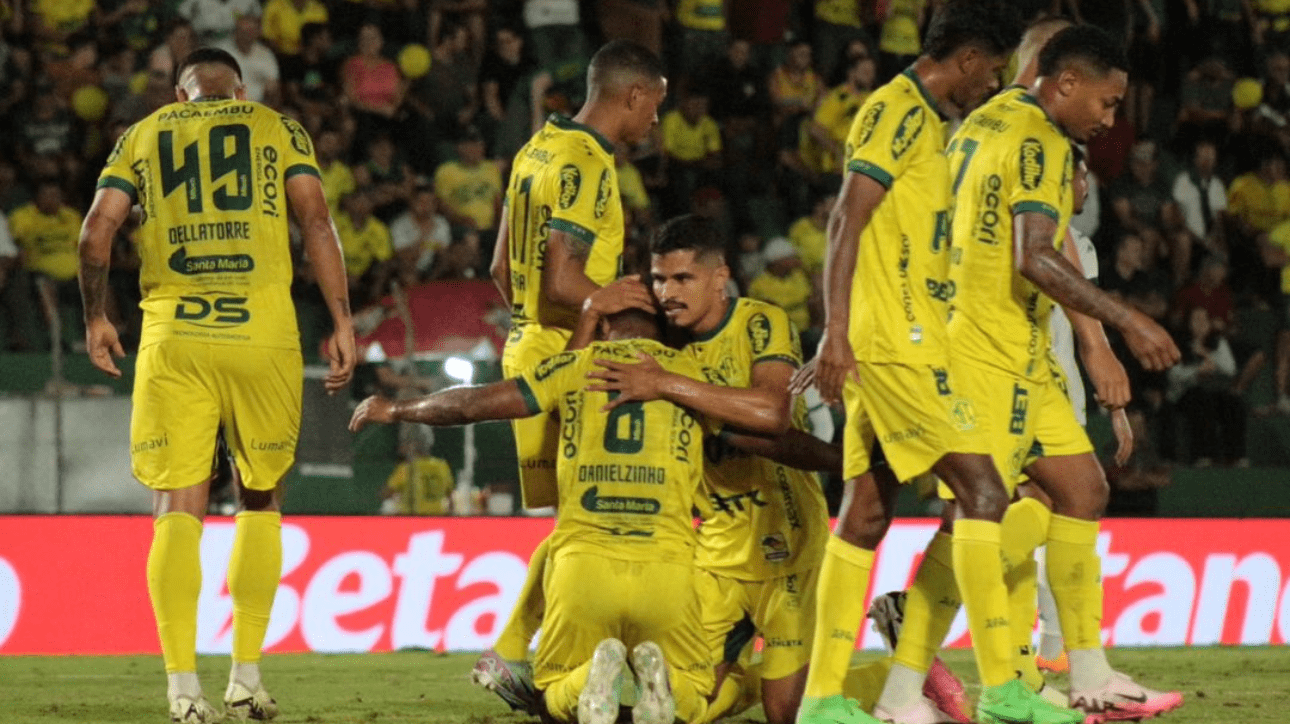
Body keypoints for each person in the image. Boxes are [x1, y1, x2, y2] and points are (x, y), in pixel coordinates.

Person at [79, 47, 355, 723]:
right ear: (241, 89)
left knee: (178, 506)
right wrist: (343, 320)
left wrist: (95, 318)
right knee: (261, 497)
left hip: (175, 333)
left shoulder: (143, 134)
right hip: (262, 330)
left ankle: (182, 691)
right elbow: (316, 222)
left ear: (180, 95)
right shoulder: (277, 127)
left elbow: (94, 234)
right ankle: (246, 680)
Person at [789, 2, 1040, 722]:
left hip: (899, 340)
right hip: (897, 347)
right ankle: (1006, 691)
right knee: (985, 493)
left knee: (866, 515)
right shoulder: (895, 110)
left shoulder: (927, 121)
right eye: (992, 70)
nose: (992, 85)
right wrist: (836, 332)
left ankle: (822, 701)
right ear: (968, 59)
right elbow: (846, 217)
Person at [944, 24, 1183, 721]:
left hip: (1017, 348)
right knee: (981, 512)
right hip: (984, 349)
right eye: (1106, 104)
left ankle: (1088, 672)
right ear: (1066, 81)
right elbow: (1037, 255)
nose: (1109, 121)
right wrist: (1128, 321)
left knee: (1082, 487)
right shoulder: (1044, 140)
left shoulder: (984, 118)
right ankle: (990, 684)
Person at [349, 307, 716, 724]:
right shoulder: (693, 375)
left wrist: (398, 408)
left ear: (604, 325)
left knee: (553, 701)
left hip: (584, 567)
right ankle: (667, 684)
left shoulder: (575, 365)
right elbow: (756, 421)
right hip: (668, 567)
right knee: (696, 699)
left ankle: (586, 680)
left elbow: (472, 404)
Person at [587, 216, 834, 724]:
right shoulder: (659, 348)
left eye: (683, 278)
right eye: (659, 279)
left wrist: (667, 385)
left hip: (788, 541)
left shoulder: (759, 321)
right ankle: (743, 683)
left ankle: (890, 680)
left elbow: (772, 412)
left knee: (786, 715)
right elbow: (577, 386)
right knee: (680, 707)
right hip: (715, 549)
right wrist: (591, 311)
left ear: (720, 278)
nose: (668, 292)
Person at [488, 40, 666, 513]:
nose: (655, 120)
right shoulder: (586, 163)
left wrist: (534, 327)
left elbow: (500, 267)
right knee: (589, 517)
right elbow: (564, 282)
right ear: (634, 95)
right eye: (656, 104)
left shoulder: (536, 147)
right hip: (570, 353)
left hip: (525, 349)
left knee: (563, 518)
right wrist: (639, 312)